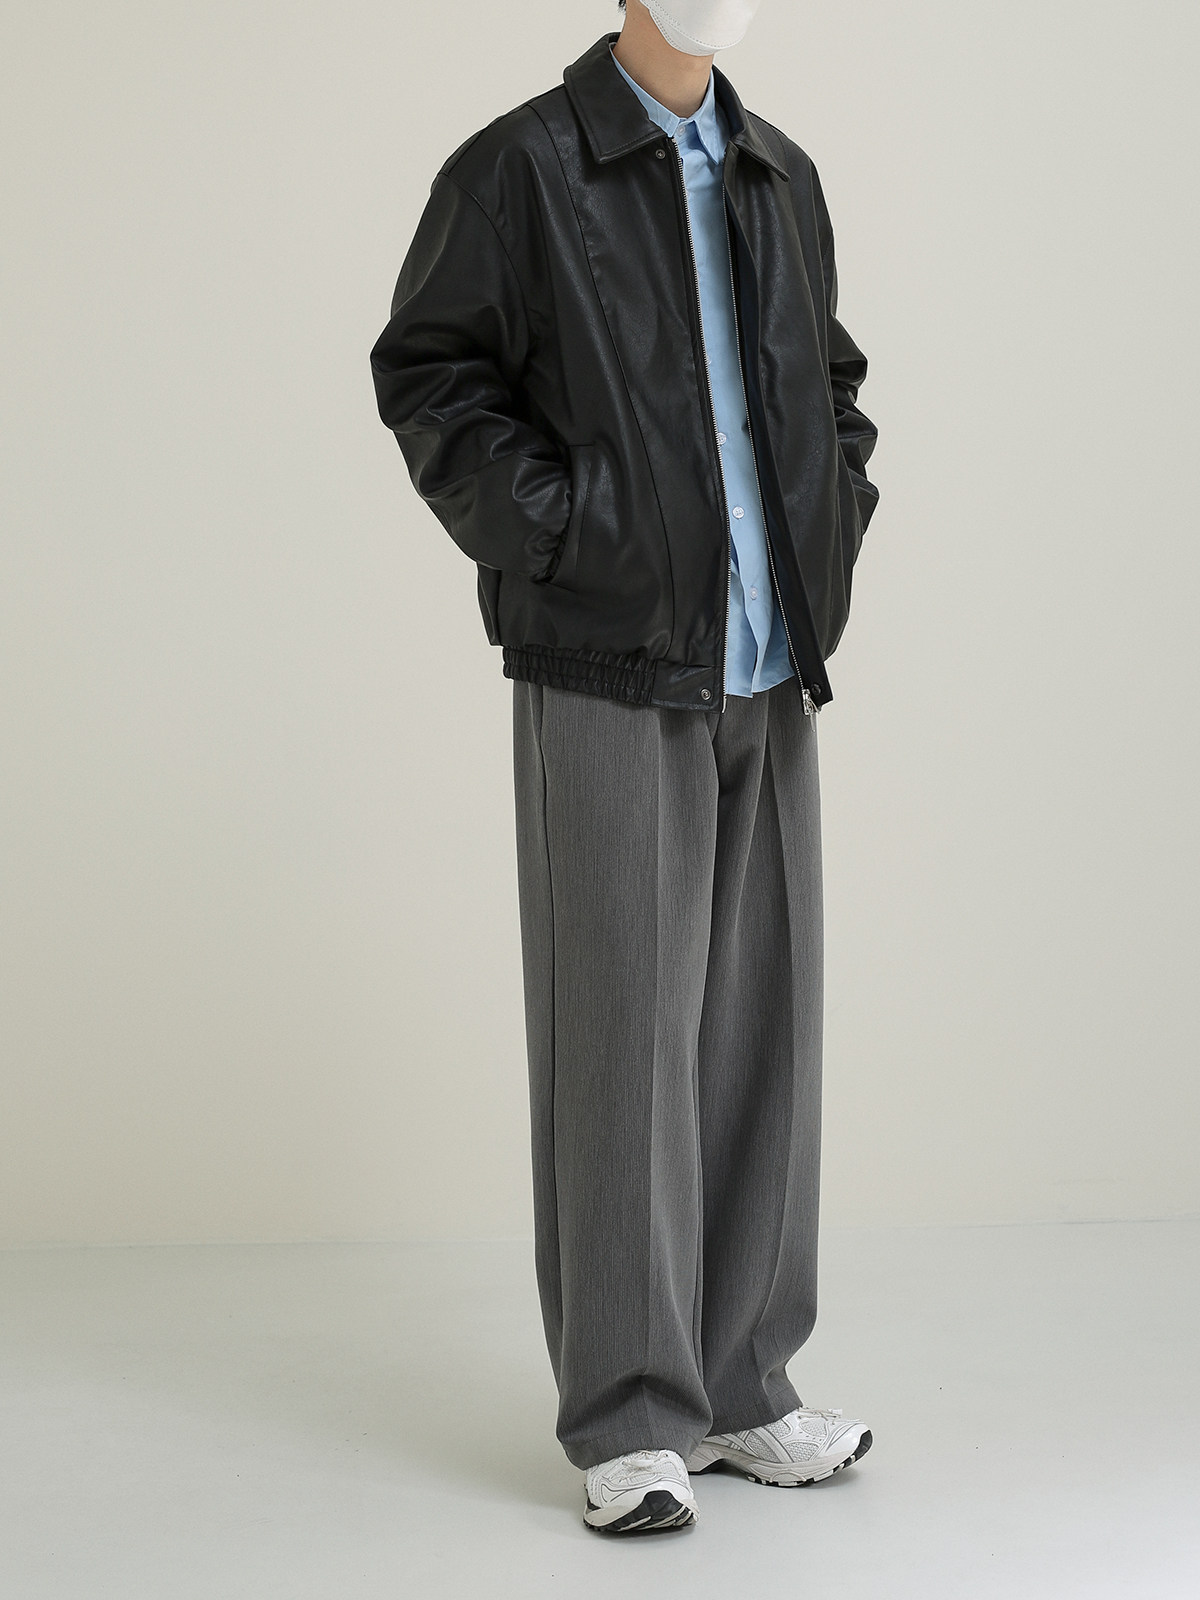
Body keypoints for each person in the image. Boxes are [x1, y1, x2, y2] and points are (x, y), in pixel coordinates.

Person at [370, 0, 880, 1536]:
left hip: (766, 659)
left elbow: (830, 387)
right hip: (607, 660)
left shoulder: (779, 172)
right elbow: (430, 374)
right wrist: (569, 537)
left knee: (761, 1039)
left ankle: (743, 1383)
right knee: (621, 1037)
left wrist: (831, 525)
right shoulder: (520, 169)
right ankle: (629, 1414)